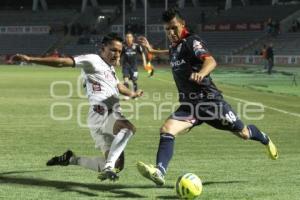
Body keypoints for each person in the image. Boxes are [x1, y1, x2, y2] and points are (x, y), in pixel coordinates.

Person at [136, 8, 278, 186]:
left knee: (243, 133)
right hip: (190, 106)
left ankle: (264, 138)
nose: (171, 33)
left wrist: (202, 73)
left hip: (210, 102)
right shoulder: (175, 46)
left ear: (183, 24)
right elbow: (170, 52)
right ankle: (159, 171)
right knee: (167, 129)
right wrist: (152, 50)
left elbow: (211, 61)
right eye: (167, 29)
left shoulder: (192, 41)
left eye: (174, 28)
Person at [12, 33, 143, 182]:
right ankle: (108, 167)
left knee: (118, 165)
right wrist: (31, 59)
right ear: (102, 48)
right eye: (113, 50)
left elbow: (118, 86)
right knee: (128, 128)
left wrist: (132, 93)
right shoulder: (93, 60)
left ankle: (71, 159)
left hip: (101, 117)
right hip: (102, 112)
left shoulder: (110, 68)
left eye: (119, 51)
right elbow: (62, 62)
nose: (117, 54)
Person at [121, 32, 146, 99]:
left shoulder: (137, 46)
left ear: (132, 38)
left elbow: (142, 53)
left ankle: (135, 95)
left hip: (134, 67)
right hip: (126, 66)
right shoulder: (123, 47)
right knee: (126, 80)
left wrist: (144, 62)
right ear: (125, 39)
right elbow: (119, 55)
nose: (128, 38)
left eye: (130, 37)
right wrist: (117, 60)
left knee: (134, 81)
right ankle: (126, 95)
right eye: (127, 37)